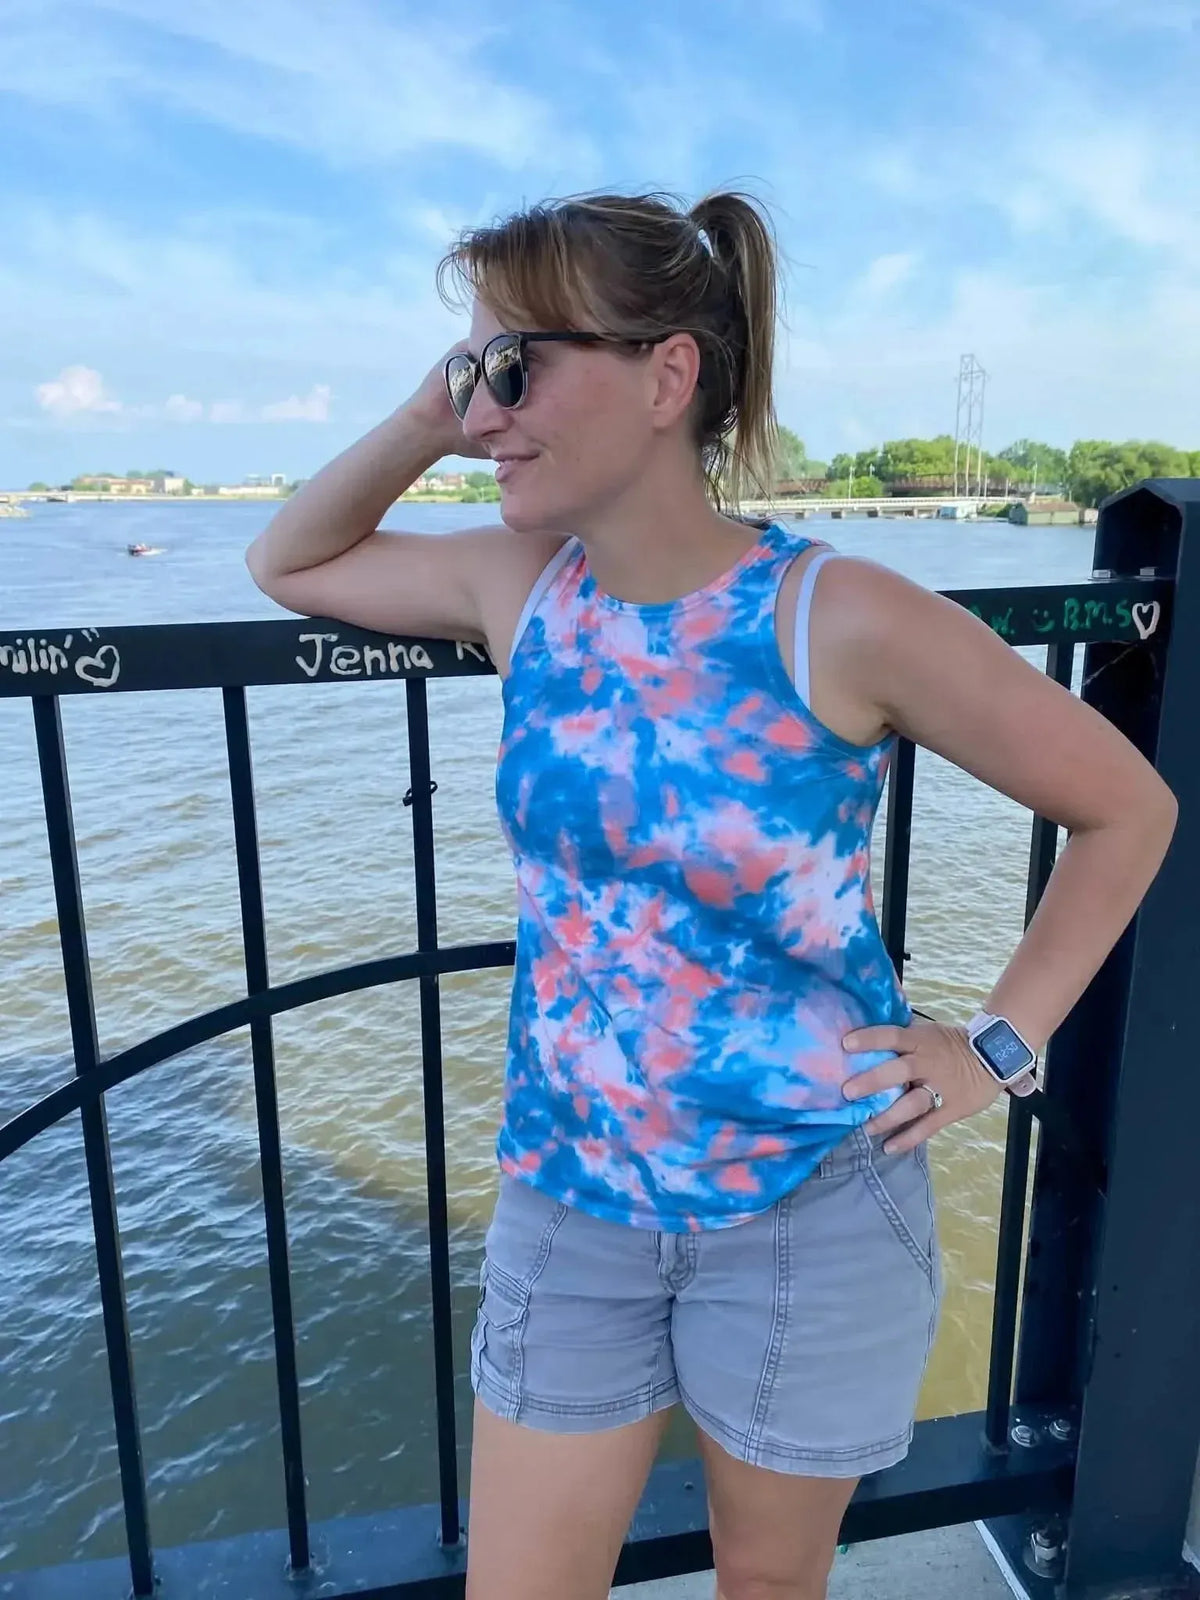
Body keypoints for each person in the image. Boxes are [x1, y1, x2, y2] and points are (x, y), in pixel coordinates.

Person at [245, 190, 1177, 1600]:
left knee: (768, 1587)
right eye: (471, 370)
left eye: (515, 367)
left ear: (667, 373)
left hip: (812, 1205)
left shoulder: (838, 614)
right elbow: (289, 561)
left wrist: (997, 1045)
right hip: (572, 1204)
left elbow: (1127, 807)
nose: (487, 409)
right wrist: (432, 412)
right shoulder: (522, 590)